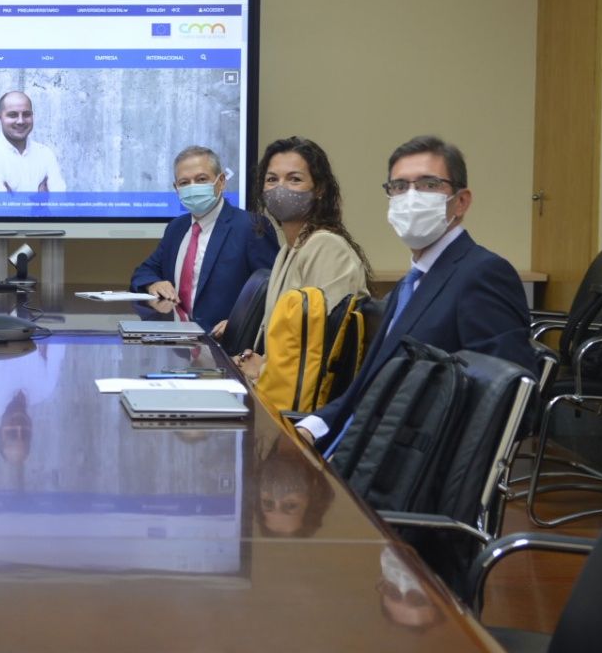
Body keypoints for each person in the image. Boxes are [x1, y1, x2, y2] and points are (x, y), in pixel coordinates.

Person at [297, 135, 536, 455]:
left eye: (428, 185)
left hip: (400, 471)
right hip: (355, 451)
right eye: (398, 186)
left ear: (461, 201)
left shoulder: (482, 274)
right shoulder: (410, 284)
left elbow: (507, 404)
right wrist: (308, 428)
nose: (411, 197)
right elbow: (365, 390)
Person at [233, 136, 372, 381]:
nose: (280, 188)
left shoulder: (326, 246)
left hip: (304, 406)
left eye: (294, 179)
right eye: (271, 180)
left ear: (319, 188)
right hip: (279, 387)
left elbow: (324, 349)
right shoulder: (290, 249)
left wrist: (263, 370)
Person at [130, 145, 279, 330]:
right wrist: (153, 283)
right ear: (176, 189)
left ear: (221, 181)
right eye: (185, 183)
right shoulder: (176, 228)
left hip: (226, 347)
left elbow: (274, 292)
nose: (193, 187)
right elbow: (144, 271)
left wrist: (241, 324)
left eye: (201, 179)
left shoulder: (251, 226)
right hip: (178, 346)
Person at [0, 91, 66, 192]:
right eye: (12, 115)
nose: (21, 121)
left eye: (26, 114)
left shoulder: (46, 154)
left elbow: (60, 206)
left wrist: (13, 201)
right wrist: (40, 203)